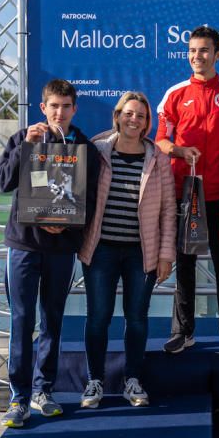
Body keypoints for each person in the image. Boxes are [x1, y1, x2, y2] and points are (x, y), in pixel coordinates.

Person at [0, 79, 100, 428]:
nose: (59, 112)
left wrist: (67, 225)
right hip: (24, 245)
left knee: (52, 321)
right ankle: (19, 398)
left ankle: (44, 390)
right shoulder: (24, 137)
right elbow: (3, 182)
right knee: (22, 321)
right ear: (43, 107)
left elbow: (89, 199)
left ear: (75, 108)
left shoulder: (83, 146)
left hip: (61, 249)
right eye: (53, 106)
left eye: (66, 106)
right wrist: (25, 146)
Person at [156, 25, 219, 354]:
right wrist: (180, 152)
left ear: (218, 54)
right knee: (185, 263)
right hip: (186, 193)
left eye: (205, 50)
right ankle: (184, 331)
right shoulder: (175, 94)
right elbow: (161, 141)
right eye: (193, 50)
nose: (198, 56)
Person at [79, 91, 176, 408]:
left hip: (141, 253)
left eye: (142, 116)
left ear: (149, 123)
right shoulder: (97, 150)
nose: (135, 120)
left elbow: (168, 211)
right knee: (98, 318)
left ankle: (132, 379)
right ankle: (95, 380)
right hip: (101, 250)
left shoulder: (158, 158)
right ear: (118, 115)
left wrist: (165, 255)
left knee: (136, 318)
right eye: (129, 113)